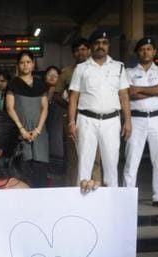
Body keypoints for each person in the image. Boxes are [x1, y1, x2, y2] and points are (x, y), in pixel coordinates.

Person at [68, 30, 131, 187]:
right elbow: (74, 97)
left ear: (108, 45)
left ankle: (111, 206)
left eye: (104, 42)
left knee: (111, 164)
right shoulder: (81, 68)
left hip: (111, 120)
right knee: (84, 164)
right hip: (86, 120)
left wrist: (128, 120)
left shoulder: (119, 67)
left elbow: (124, 96)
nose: (101, 46)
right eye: (97, 43)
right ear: (91, 47)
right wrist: (71, 122)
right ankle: (82, 208)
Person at [123, 37, 158, 208]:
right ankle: (128, 195)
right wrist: (155, 92)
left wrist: (141, 90)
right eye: (142, 49)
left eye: (149, 48)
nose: (146, 52)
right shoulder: (129, 72)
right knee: (132, 158)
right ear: (138, 52)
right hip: (136, 118)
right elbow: (129, 93)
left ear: (154, 52)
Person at [54, 38, 102, 186]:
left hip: (95, 117)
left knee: (95, 155)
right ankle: (73, 189)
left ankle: (95, 188)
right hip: (74, 118)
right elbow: (56, 94)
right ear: (73, 54)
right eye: (77, 50)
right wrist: (70, 106)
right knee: (73, 156)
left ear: (89, 50)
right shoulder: (67, 72)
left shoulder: (99, 70)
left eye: (83, 49)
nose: (80, 53)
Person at [5, 50, 50, 187]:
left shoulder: (40, 84)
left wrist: (38, 130)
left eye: (28, 62)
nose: (25, 65)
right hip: (20, 131)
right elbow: (10, 108)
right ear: (18, 65)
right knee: (22, 169)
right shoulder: (13, 84)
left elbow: (45, 108)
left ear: (33, 64)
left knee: (40, 169)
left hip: (39, 133)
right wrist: (22, 130)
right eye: (22, 63)